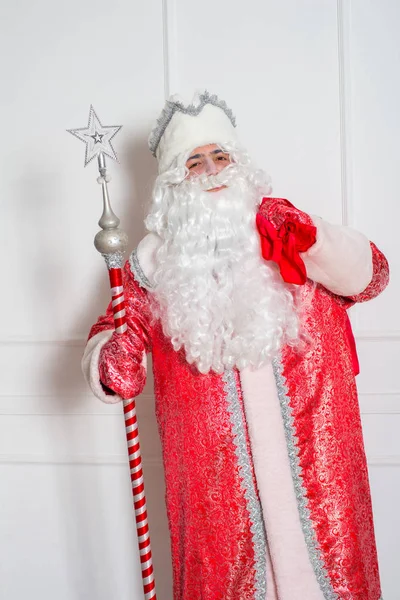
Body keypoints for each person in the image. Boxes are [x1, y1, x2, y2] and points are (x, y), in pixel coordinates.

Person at [82, 90, 389, 600]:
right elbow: (114, 343)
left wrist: (313, 239)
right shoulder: (153, 267)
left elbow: (371, 277)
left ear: (239, 163)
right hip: (216, 492)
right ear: (173, 185)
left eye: (220, 156)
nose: (211, 171)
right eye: (194, 162)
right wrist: (110, 359)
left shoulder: (285, 226)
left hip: (320, 471)